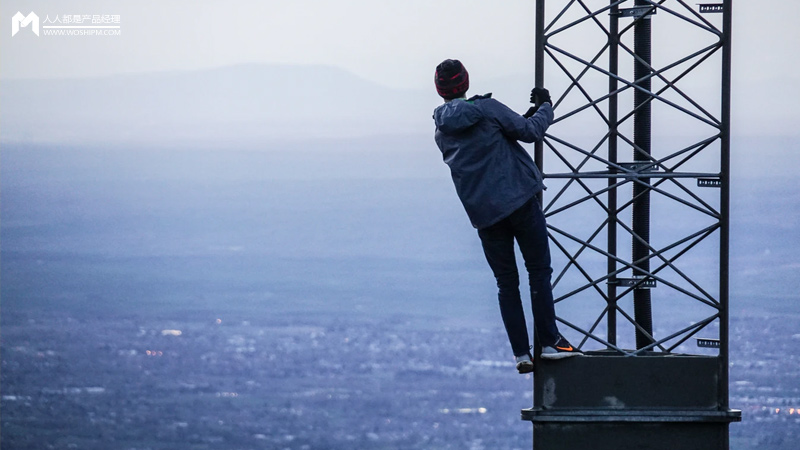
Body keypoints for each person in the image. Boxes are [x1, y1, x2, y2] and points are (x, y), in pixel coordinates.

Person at [432, 59, 581, 374]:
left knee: (506, 282)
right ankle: (551, 342)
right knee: (538, 271)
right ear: (466, 82)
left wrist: (518, 120)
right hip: (520, 201)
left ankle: (521, 354)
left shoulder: (441, 131)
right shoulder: (486, 108)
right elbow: (529, 133)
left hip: (485, 216)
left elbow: (487, 145)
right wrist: (545, 107)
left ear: (440, 90)